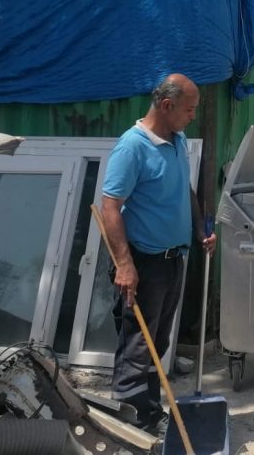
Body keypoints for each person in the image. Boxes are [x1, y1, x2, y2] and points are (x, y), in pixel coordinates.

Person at [101, 73, 216, 434]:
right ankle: (130, 421)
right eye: (189, 109)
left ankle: (150, 414)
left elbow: (185, 189)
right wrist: (124, 265)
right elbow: (109, 206)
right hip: (143, 263)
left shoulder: (177, 141)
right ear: (166, 106)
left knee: (158, 341)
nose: (192, 116)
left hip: (173, 259)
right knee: (139, 343)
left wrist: (200, 231)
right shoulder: (132, 146)